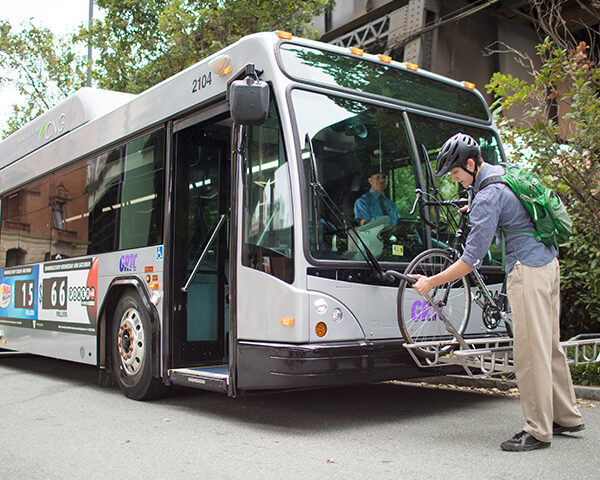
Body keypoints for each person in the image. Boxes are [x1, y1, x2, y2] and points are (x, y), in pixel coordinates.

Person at [409, 133, 584, 452]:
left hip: (527, 272)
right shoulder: (501, 174)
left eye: (456, 173)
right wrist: (471, 207)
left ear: (472, 164)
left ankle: (538, 429)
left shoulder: (488, 196)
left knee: (530, 352)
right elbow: (501, 204)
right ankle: (567, 416)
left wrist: (431, 283)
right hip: (548, 264)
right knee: (550, 345)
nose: (455, 179)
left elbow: (470, 261)